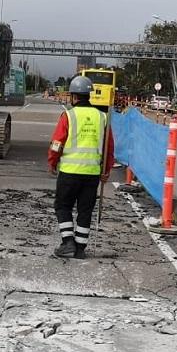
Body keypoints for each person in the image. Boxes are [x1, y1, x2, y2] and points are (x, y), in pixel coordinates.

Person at [47, 75, 115, 260]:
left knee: (62, 206)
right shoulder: (102, 117)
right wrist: (106, 170)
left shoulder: (68, 115)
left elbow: (57, 143)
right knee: (85, 211)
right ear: (89, 95)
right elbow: (109, 147)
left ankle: (68, 241)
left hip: (69, 172)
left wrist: (52, 161)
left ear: (73, 97)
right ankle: (80, 249)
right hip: (92, 174)